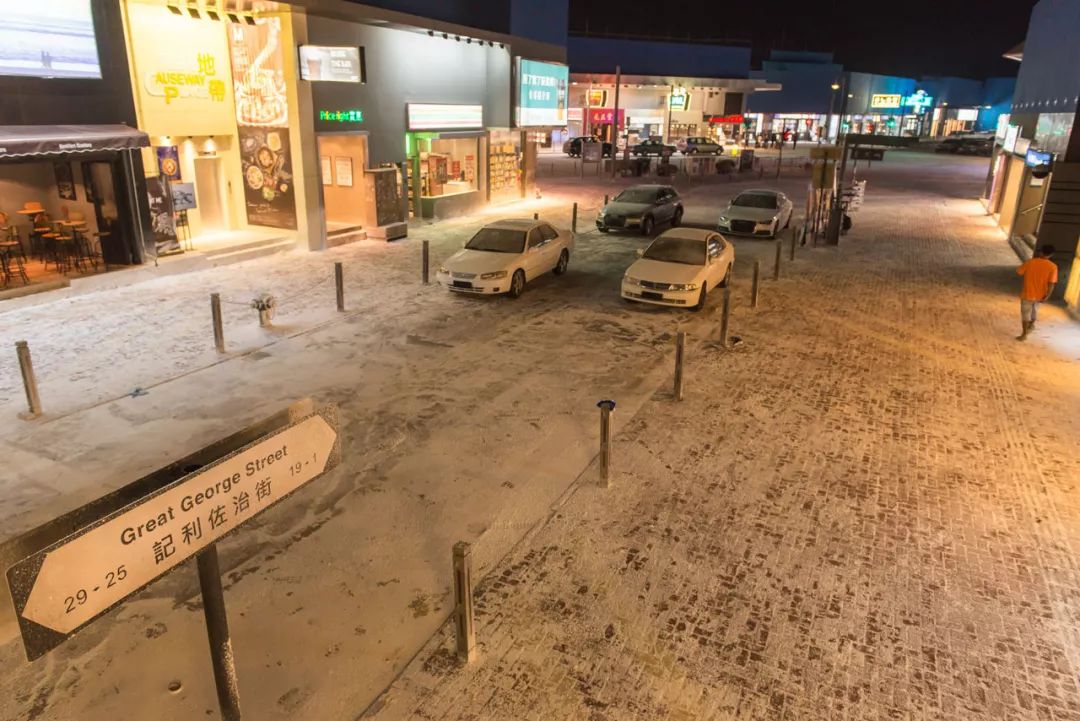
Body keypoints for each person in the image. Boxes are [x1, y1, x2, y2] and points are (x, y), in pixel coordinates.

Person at [1015, 245, 1058, 340]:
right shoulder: (1053, 267)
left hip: (1027, 293)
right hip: (1041, 295)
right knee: (1034, 311)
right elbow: (1051, 284)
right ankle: (1032, 325)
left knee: (1025, 314)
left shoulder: (1030, 262)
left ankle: (1024, 334)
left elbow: (1018, 272)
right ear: (1051, 255)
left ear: (1041, 252)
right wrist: (1047, 296)